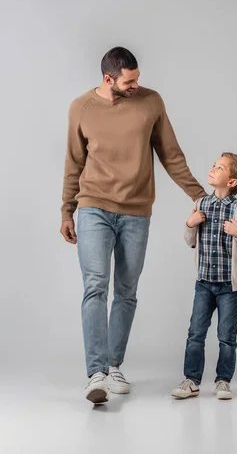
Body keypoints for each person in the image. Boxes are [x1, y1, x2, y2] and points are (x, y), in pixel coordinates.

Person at [60, 46, 207, 404]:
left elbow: (171, 154)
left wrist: (201, 196)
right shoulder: (81, 107)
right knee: (96, 285)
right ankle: (96, 373)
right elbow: (73, 162)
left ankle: (113, 366)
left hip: (137, 211)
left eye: (138, 78)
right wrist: (67, 210)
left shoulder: (151, 102)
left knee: (126, 291)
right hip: (93, 207)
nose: (136, 85)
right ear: (108, 79)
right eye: (129, 81)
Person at [171, 153, 237, 400]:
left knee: (226, 336)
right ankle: (191, 380)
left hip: (229, 287)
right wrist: (190, 224)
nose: (212, 169)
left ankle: (223, 381)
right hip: (203, 283)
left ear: (231, 182)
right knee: (195, 333)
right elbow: (191, 242)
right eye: (213, 165)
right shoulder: (201, 205)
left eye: (219, 168)